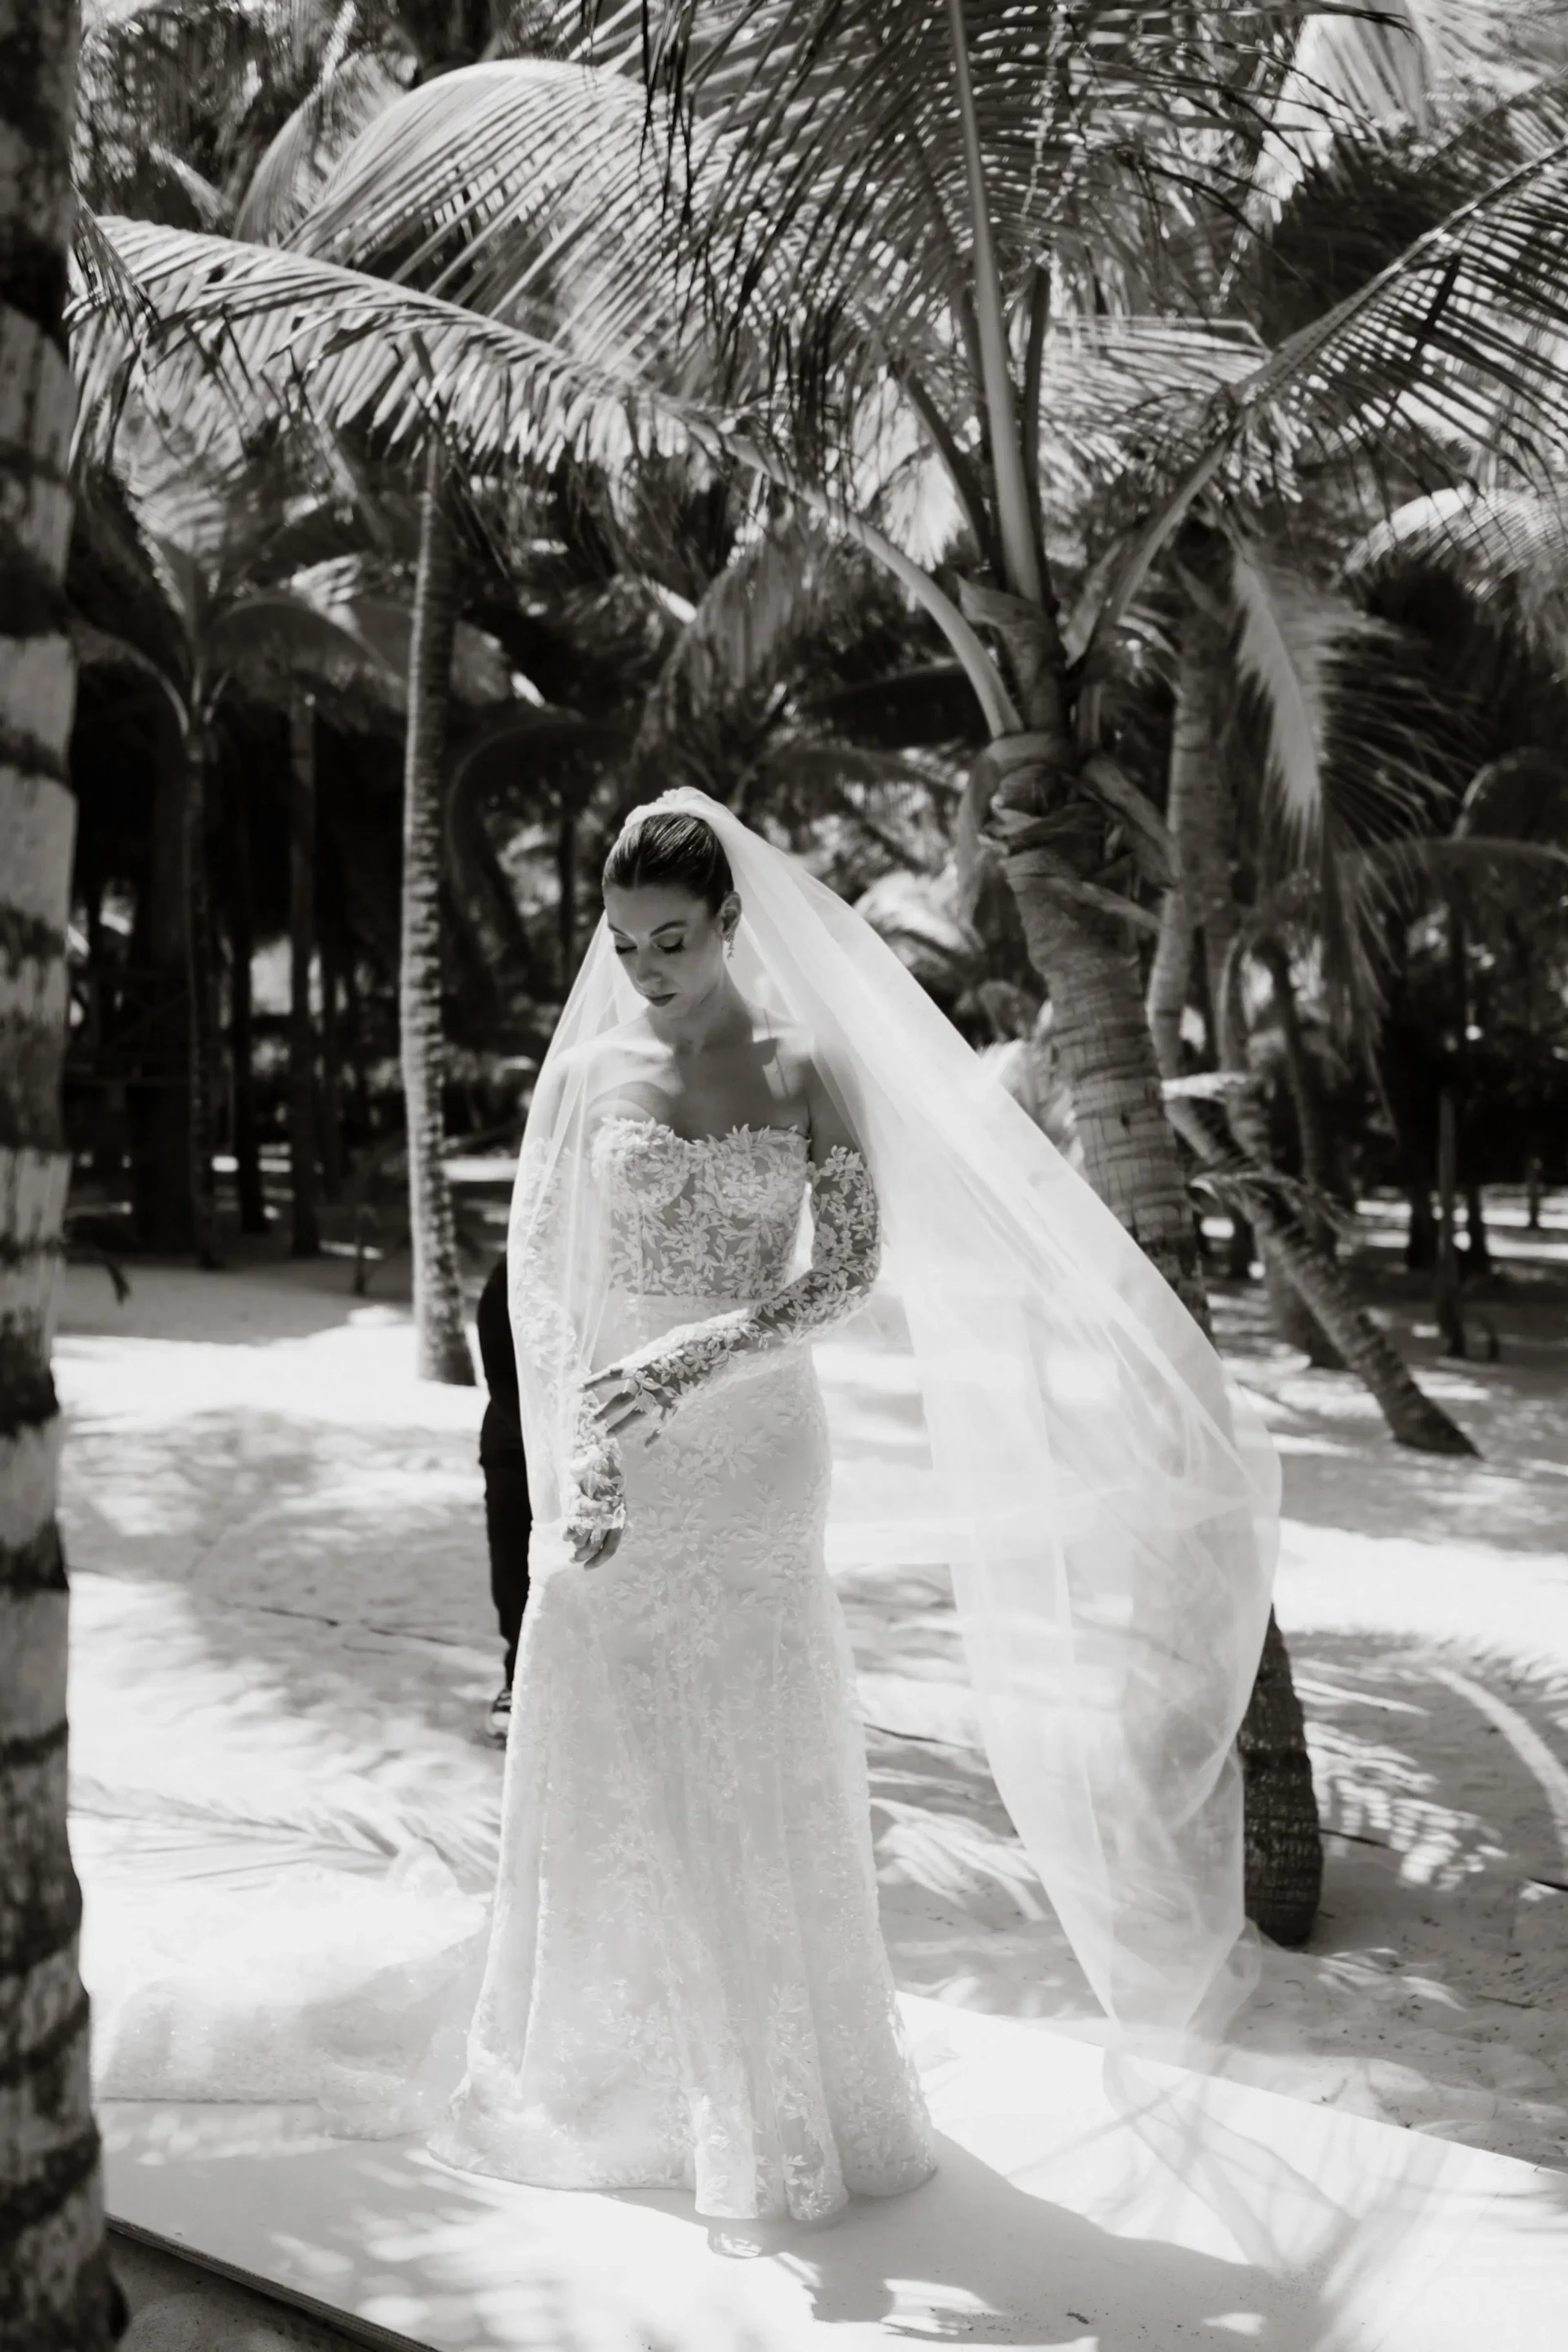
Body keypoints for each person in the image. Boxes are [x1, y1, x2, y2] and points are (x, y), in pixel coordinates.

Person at [429, 790, 1278, 2221]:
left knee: (759, 1725)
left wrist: (701, 1354)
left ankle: (776, 2074)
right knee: (611, 1714)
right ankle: (611, 2062)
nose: (647, 970)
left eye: (675, 941)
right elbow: (548, 1283)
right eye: (626, 943)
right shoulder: (586, 1078)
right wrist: (580, 1455)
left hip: (758, 1438)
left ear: (732, 925)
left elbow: (845, 1272)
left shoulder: (806, 1064)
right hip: (617, 1440)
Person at [474, 1252, 532, 1744]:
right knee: (515, 1573)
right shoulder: (515, 1262)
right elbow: (499, 1362)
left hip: (621, 1442)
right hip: (519, 1443)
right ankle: (518, 1681)